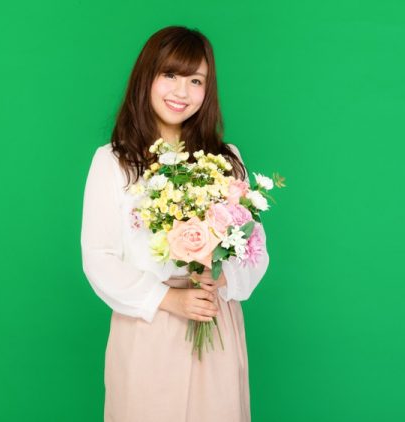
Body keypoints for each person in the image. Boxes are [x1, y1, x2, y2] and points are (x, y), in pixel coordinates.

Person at [80, 25, 269, 422]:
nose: (182, 92)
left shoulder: (226, 159)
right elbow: (99, 257)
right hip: (148, 322)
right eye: (170, 75)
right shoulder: (115, 161)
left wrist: (221, 277)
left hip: (212, 317)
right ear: (146, 77)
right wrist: (168, 300)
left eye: (196, 80)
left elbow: (254, 248)